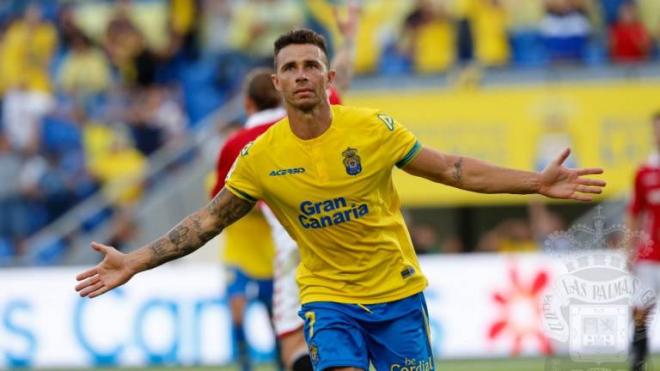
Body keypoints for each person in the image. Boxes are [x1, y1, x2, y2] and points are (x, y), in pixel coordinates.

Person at [75, 29, 606, 370]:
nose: (301, 74)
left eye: (311, 65)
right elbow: (209, 221)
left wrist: (535, 182)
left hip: (397, 293)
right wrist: (137, 260)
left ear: (329, 78)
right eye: (290, 68)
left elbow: (453, 169)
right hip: (328, 301)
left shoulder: (372, 129)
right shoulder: (260, 157)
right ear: (278, 83)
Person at [210, 6, 359, 370]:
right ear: (281, 89)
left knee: (293, 336)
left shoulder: (237, 143)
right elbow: (341, 80)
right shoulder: (319, 111)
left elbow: (219, 206)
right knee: (346, 333)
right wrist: (351, 36)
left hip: (288, 243)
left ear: (248, 103)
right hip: (341, 235)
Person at [628, 112, 660, 371]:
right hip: (650, 254)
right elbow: (635, 211)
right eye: (656, 130)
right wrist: (630, 249)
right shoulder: (644, 171)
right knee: (640, 310)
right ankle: (637, 362)